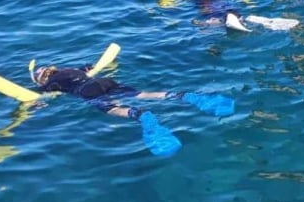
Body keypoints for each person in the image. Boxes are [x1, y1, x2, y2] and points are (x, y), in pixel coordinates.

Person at [30, 62, 235, 157]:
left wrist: (37, 102)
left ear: (45, 77)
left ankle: (141, 115)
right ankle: (186, 96)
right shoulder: (70, 69)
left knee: (111, 107)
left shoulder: (51, 82)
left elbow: (44, 94)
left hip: (86, 90)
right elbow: (89, 67)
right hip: (103, 80)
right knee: (141, 94)